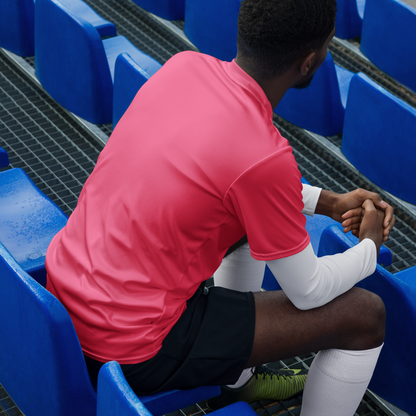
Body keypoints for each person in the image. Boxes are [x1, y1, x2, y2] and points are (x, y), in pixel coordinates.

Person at [45, 0, 395, 414]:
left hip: (66, 303)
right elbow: (308, 290)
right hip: (132, 346)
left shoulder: (183, 68)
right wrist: (369, 249)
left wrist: (327, 202)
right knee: (364, 316)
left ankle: (238, 383)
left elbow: (229, 182)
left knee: (246, 224)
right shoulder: (265, 156)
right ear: (309, 62)